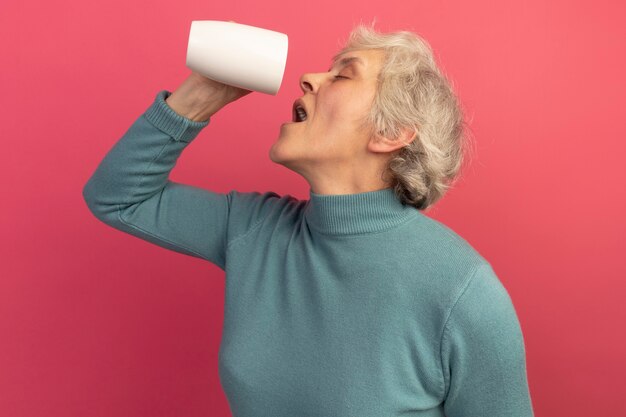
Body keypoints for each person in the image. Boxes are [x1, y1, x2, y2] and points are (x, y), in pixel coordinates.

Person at [83, 22, 534, 417]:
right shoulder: (253, 229)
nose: (308, 78)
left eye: (342, 74)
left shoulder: (462, 291)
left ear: (390, 133)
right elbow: (119, 198)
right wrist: (198, 97)